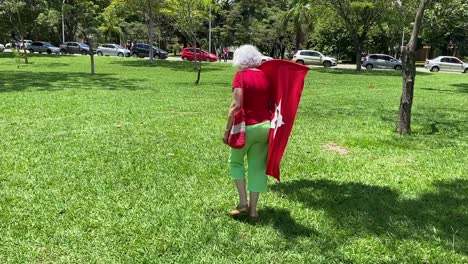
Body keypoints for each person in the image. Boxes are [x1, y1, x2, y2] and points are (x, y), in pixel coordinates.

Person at [223, 45, 272, 220]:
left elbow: (235, 106)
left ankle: (243, 203)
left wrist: (227, 130)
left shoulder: (241, 76)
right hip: (265, 127)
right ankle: (253, 211)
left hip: (246, 127)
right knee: (257, 167)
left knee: (236, 162)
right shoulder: (266, 76)